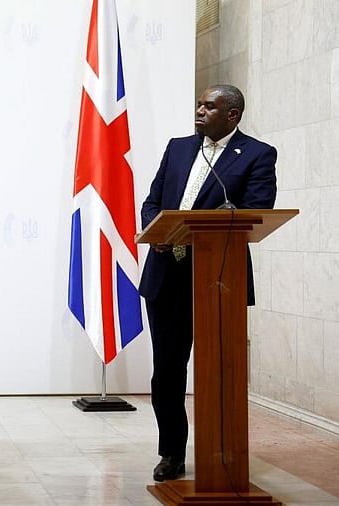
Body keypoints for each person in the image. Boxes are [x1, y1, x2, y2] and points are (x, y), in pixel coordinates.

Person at [139, 84, 277, 482]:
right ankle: (171, 454)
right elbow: (153, 201)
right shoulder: (179, 147)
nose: (199, 111)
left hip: (220, 280)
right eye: (198, 104)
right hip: (167, 275)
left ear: (232, 115)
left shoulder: (257, 154)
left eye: (209, 106)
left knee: (220, 370)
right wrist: (157, 229)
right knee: (166, 372)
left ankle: (223, 455)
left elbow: (256, 208)